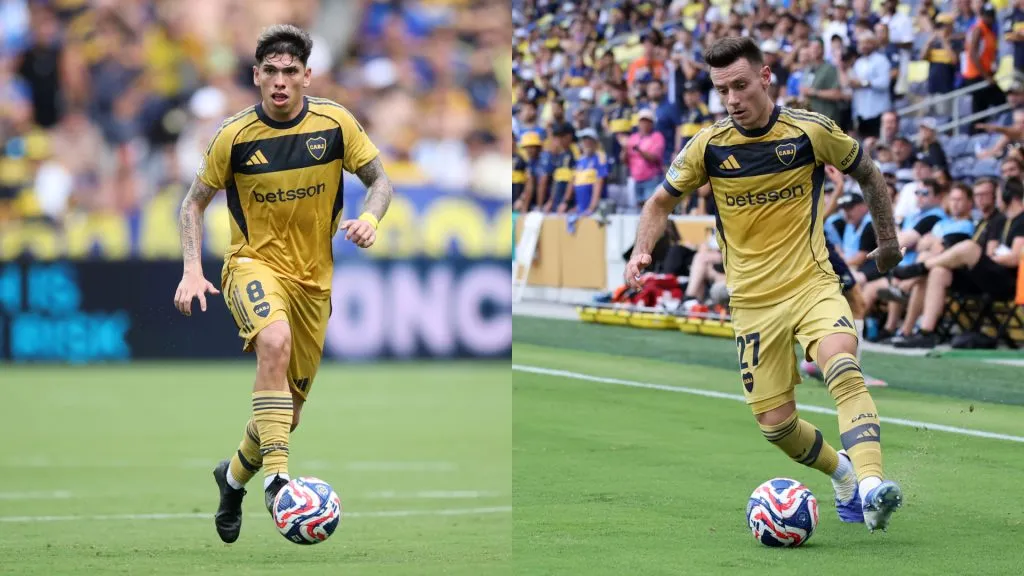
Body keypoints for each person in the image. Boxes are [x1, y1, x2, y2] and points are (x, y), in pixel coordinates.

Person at [624, 37, 904, 533]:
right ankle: (842, 473)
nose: (732, 99)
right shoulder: (708, 147)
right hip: (752, 303)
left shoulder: (810, 130)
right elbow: (657, 204)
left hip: (812, 282)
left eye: (740, 85)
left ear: (765, 77)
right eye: (721, 89)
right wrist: (643, 248)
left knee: (841, 364)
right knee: (777, 427)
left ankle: (871, 486)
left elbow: (868, 172)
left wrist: (888, 241)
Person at [171, 25, 394, 543]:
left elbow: (380, 181)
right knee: (273, 340)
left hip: (314, 286)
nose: (279, 81)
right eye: (269, 71)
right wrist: (191, 269)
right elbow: (193, 203)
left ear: (306, 76)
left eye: (289, 71)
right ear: (255, 76)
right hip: (251, 266)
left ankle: (231, 480)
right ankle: (277, 481)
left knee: (284, 418)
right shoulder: (234, 136)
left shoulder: (336, 123)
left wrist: (371, 219)